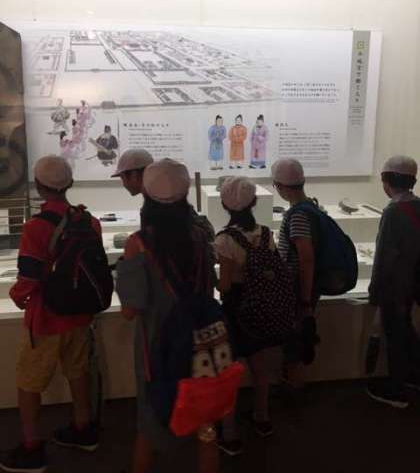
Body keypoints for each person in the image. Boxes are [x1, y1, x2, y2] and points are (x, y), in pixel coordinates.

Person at [116, 159, 219, 473]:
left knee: (150, 420)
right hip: (202, 340)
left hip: (157, 345)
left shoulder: (138, 244)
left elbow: (130, 311)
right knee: (206, 423)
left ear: (147, 193)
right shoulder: (201, 235)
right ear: (185, 192)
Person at [0, 156, 102, 473]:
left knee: (29, 381)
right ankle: (83, 429)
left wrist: (17, 297)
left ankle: (31, 448)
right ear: (69, 183)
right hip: (80, 316)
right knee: (78, 371)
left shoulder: (36, 226)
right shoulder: (90, 222)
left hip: (46, 319)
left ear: (39, 186)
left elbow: (29, 277)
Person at [214, 177, 277, 456]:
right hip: (261, 304)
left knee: (229, 371)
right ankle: (262, 418)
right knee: (260, 365)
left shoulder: (225, 239)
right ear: (254, 201)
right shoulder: (265, 234)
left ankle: (229, 433)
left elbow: (225, 285)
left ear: (224, 204)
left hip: (235, 308)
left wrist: (212, 281)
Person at [367, 155, 420, 408]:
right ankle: (413, 377)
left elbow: (384, 257)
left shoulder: (393, 212)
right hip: (414, 283)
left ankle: (396, 390)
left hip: (397, 285)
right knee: (406, 330)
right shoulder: (417, 205)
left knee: (396, 335)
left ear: (386, 181)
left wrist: (374, 292)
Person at [271, 158, 318, 388]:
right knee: (294, 336)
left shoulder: (298, 214)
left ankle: (292, 385)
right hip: (299, 288)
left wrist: (305, 299)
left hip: (297, 289)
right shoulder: (310, 207)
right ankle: (291, 382)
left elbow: (306, 258)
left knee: (294, 338)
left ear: (280, 187)